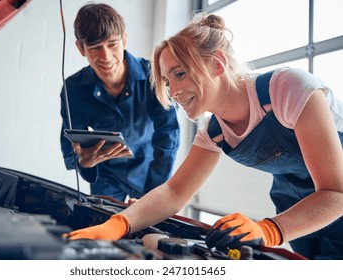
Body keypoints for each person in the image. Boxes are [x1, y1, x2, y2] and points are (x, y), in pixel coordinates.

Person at [63, 12, 343, 260]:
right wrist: (117, 224)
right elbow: (174, 192)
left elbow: (335, 191)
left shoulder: (286, 88)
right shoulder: (214, 131)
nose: (172, 92)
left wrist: (270, 229)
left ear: (217, 64)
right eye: (168, 81)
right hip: (292, 197)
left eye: (180, 73)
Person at [60, 3, 180, 202]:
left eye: (112, 44)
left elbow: (169, 137)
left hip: (150, 171)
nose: (105, 57)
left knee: (148, 229)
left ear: (124, 39)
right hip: (105, 177)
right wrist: (83, 162)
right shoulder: (73, 89)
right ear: (81, 48)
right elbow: (69, 146)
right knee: (103, 226)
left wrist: (153, 195)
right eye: (95, 47)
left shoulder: (154, 75)